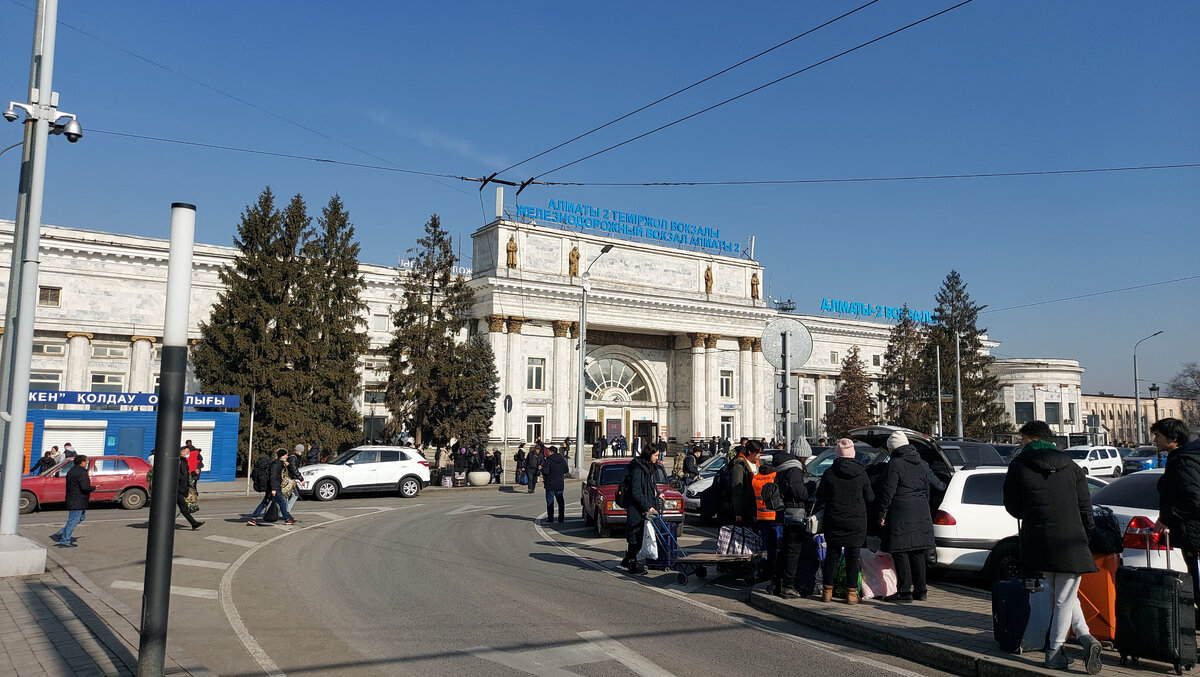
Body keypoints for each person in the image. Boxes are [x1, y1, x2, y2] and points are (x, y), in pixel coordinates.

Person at [1003, 420, 1101, 673]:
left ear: (1033, 439)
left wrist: (1032, 513)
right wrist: (1086, 535)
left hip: (1038, 538)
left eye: (1022, 439)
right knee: (1065, 597)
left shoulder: (1018, 465)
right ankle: (1056, 651)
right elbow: (1085, 507)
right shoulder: (1071, 465)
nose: (1020, 443)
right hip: (1071, 539)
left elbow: (1012, 506)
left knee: (1063, 595)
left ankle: (1082, 638)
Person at [878, 430, 945, 603]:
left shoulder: (895, 464)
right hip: (921, 511)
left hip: (901, 512)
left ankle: (904, 591)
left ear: (894, 448)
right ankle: (921, 590)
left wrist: (882, 513)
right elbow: (937, 486)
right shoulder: (922, 463)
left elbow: (888, 492)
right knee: (918, 552)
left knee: (900, 551)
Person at [1152, 417, 1200, 626]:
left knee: (1197, 583)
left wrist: (1169, 517)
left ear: (1173, 438)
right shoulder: (1180, 459)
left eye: (1158, 435)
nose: (1154, 440)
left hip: (1194, 534)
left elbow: (1194, 499)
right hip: (1190, 532)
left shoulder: (1183, 462)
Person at [815, 439, 875, 604]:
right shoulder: (862, 473)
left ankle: (827, 592)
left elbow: (820, 496)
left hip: (834, 519)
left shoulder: (829, 473)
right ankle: (851, 594)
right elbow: (870, 497)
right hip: (856, 521)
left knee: (832, 555)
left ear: (837, 454)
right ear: (853, 454)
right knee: (852, 557)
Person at [774, 449, 814, 598]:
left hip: (784, 512)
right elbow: (801, 493)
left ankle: (776, 583)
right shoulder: (794, 469)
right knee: (793, 551)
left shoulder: (783, 468)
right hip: (795, 514)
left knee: (784, 550)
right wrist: (811, 486)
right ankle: (788, 586)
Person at [621, 444, 661, 575]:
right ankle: (632, 563)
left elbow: (651, 486)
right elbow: (636, 492)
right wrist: (648, 506)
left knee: (641, 536)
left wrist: (658, 494)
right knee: (636, 537)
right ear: (649, 455)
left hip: (646, 507)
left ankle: (628, 560)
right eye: (655, 455)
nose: (657, 458)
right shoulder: (638, 469)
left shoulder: (649, 467)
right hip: (637, 508)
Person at [751, 457, 782, 592]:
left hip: (761, 517)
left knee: (765, 548)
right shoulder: (775, 476)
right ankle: (776, 572)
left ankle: (764, 571)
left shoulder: (755, 478)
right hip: (775, 517)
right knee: (778, 546)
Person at [50, 455, 92, 547]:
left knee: (81, 517)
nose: (86, 463)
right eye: (86, 461)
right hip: (77, 499)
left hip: (74, 498)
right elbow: (85, 487)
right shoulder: (81, 472)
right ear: (82, 462)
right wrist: (93, 488)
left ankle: (62, 533)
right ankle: (65, 540)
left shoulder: (71, 471)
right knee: (73, 520)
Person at [247, 449, 295, 526]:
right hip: (275, 487)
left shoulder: (278, 463)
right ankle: (287, 519)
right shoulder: (275, 465)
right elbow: (273, 477)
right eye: (286, 455)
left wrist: (284, 465)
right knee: (282, 502)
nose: (287, 456)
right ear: (282, 456)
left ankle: (253, 518)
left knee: (265, 502)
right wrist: (274, 489)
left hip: (272, 487)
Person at [731, 440, 763, 525]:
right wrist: (738, 511)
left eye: (760, 453)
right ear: (750, 452)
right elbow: (737, 490)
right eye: (757, 453)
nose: (759, 455)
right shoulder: (740, 466)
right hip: (747, 507)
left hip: (759, 507)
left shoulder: (760, 465)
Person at [175, 446, 204, 530]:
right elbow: (178, 474)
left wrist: (194, 473)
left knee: (182, 507)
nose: (188, 454)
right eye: (186, 452)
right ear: (181, 452)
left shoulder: (184, 461)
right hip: (177, 488)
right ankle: (193, 523)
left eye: (188, 452)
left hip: (182, 488)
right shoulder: (178, 461)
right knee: (183, 506)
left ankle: (194, 523)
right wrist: (183, 480)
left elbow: (187, 475)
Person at [542, 446, 569, 522]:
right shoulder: (562, 460)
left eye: (548, 451)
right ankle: (561, 518)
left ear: (551, 452)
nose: (547, 452)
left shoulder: (549, 460)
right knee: (560, 502)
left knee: (550, 502)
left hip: (550, 483)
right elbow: (566, 470)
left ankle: (550, 519)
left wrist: (541, 469)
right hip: (560, 483)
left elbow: (546, 471)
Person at [286, 444, 305, 512]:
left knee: (289, 495)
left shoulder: (292, 456)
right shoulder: (293, 458)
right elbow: (294, 469)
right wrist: (301, 478)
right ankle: (286, 511)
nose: (301, 453)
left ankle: (285, 511)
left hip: (289, 478)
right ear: (297, 450)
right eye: (301, 452)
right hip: (289, 479)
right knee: (294, 494)